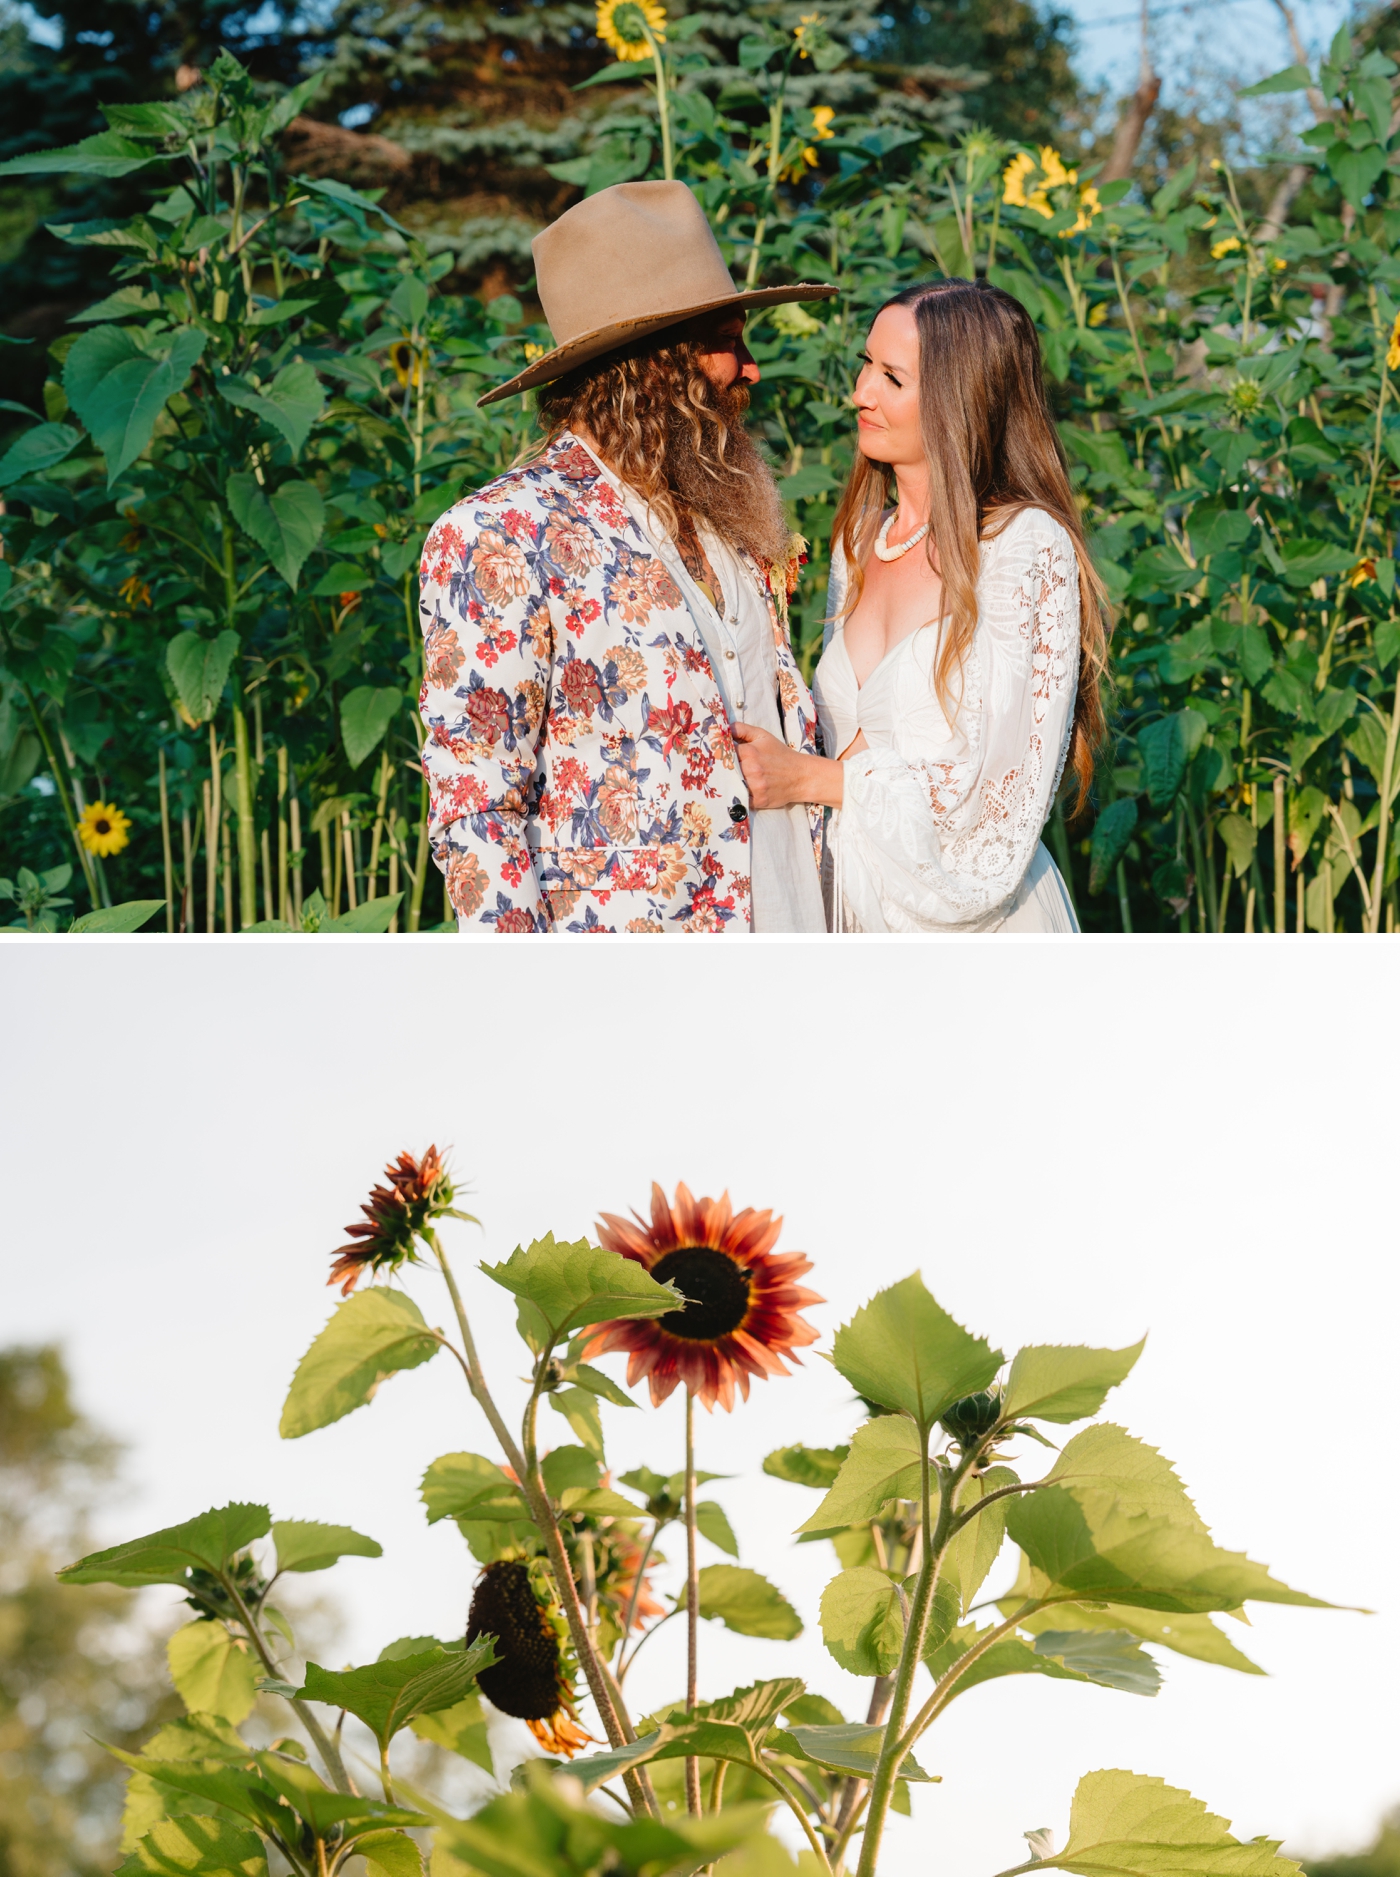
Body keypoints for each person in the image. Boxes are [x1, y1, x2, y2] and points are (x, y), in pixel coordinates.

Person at [416, 180, 835, 933]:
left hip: (795, 944)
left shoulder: (727, 518)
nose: (751, 368)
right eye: (729, 342)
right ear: (658, 365)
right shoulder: (503, 533)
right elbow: (476, 807)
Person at [729, 278, 1110, 933]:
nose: (861, 394)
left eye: (892, 378)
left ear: (958, 398)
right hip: (850, 908)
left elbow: (998, 796)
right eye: (864, 365)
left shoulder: (1022, 545)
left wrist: (816, 780)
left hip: (977, 932)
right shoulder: (858, 540)